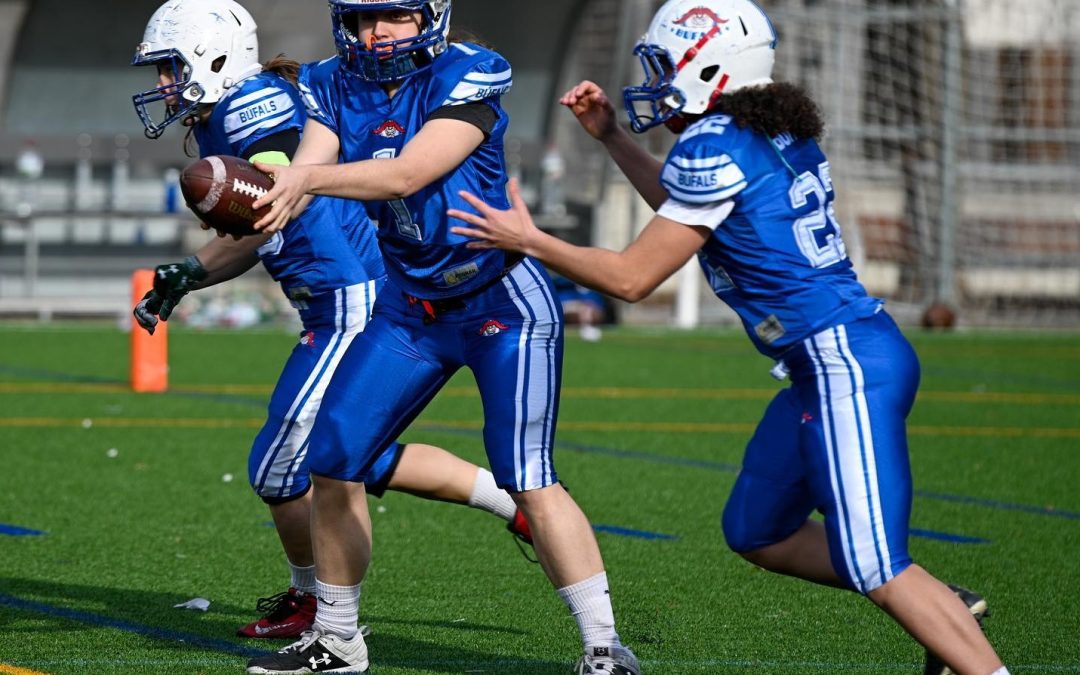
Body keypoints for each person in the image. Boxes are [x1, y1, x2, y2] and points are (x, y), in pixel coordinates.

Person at [448, 1, 1010, 674]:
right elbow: (686, 215)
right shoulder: (766, 131)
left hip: (842, 361)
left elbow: (632, 276)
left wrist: (530, 239)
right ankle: (938, 606)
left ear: (709, 62)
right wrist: (614, 139)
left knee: (874, 563)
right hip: (828, 359)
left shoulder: (715, 142)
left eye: (664, 65)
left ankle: (957, 638)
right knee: (757, 528)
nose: (655, 82)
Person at [242, 2, 639, 673]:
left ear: (431, 15)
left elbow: (408, 172)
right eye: (365, 17)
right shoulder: (329, 81)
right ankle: (338, 639)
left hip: (499, 298)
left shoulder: (472, 70)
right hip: (411, 307)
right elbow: (310, 167)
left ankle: (605, 645)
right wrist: (262, 196)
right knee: (334, 453)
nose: (377, 32)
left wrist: (305, 179)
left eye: (394, 15)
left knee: (527, 473)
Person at [130, 0, 532, 642]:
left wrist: (262, 188)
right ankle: (514, 507)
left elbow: (281, 183)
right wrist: (190, 273)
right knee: (355, 458)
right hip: (331, 299)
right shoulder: (216, 120)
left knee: (278, 467)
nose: (163, 85)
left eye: (171, 67)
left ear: (211, 57)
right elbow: (262, 227)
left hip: (349, 297)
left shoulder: (251, 105)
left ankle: (315, 602)